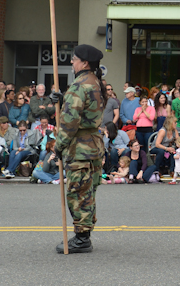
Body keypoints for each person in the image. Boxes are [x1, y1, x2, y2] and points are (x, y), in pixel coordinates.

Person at [52, 44, 106, 254]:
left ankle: (82, 239)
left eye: (74, 59)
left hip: (80, 147)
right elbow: (88, 110)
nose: (71, 62)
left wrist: (59, 146)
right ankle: (85, 234)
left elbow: (70, 121)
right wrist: (63, 99)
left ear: (84, 62)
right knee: (88, 191)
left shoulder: (79, 85)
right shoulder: (96, 82)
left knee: (78, 192)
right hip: (93, 144)